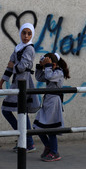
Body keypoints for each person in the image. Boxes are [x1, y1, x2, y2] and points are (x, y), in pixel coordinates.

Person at [0, 23, 39, 152]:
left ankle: (27, 141)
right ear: (20, 33)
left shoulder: (29, 49)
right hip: (16, 82)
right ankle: (26, 140)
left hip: (23, 83)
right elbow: (10, 66)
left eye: (29, 33)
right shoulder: (18, 48)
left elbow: (21, 66)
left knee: (10, 110)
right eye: (24, 33)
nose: (26, 36)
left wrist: (13, 65)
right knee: (22, 113)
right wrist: (2, 81)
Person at [33, 52, 70, 162]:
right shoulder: (51, 70)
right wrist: (40, 66)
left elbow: (49, 76)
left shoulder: (58, 72)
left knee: (51, 129)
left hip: (54, 102)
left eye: (50, 64)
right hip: (47, 101)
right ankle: (48, 146)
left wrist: (48, 66)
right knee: (37, 127)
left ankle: (54, 152)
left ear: (54, 64)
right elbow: (39, 78)